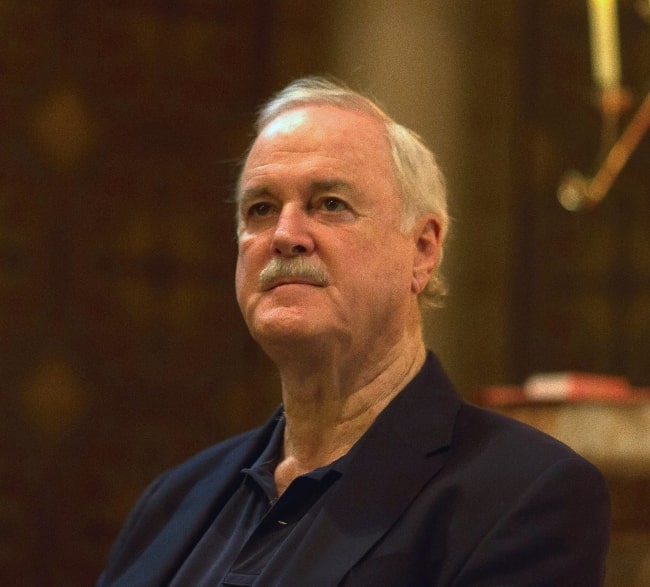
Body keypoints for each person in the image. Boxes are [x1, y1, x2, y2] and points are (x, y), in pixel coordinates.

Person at [97, 77, 610, 586]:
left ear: (423, 250)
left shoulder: (523, 496)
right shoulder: (173, 500)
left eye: (329, 204)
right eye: (261, 209)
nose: (285, 236)